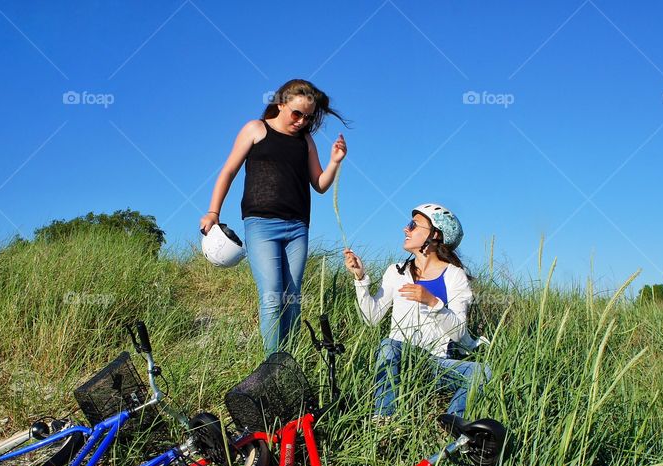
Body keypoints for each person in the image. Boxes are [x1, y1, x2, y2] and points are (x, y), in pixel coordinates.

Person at [201, 79, 348, 353]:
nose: (302, 121)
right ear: (281, 104)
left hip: (297, 227)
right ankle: (272, 367)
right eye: (297, 113)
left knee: (292, 299)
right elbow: (228, 171)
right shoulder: (256, 129)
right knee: (271, 296)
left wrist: (335, 162)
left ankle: (290, 362)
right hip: (261, 224)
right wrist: (213, 212)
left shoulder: (305, 141)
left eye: (308, 116)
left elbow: (319, 184)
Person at [343, 204, 490, 419]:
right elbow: (371, 318)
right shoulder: (396, 271)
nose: (406, 229)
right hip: (400, 356)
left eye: (413, 225)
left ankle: (452, 423)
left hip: (436, 362)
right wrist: (360, 279)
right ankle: (384, 419)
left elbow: (459, 332)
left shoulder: (454, 276)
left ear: (435, 235)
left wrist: (433, 302)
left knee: (483, 372)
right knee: (388, 345)